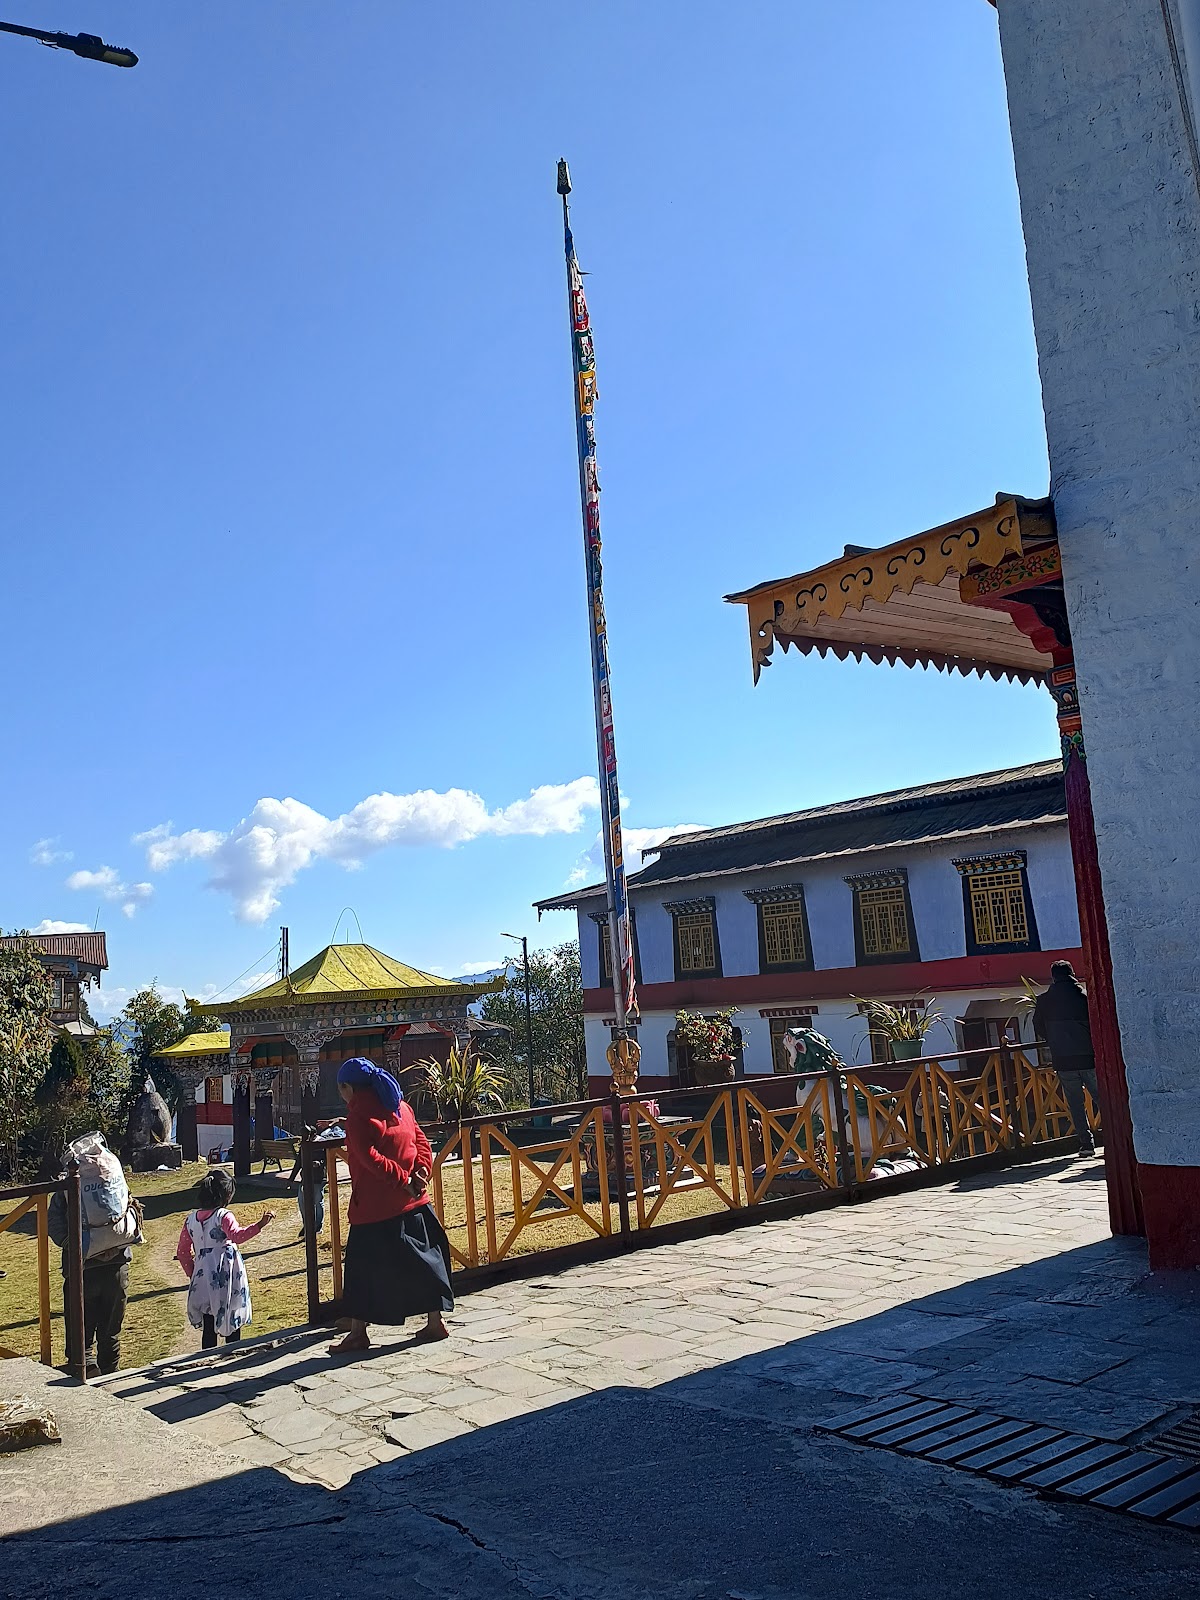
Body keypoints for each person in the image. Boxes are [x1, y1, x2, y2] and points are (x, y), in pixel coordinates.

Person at [329, 1055, 453, 1356]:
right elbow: (422, 1142)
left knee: (362, 1270)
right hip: (414, 1200)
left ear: (348, 1088)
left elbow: (367, 1156)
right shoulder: (401, 1107)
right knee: (425, 1260)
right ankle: (435, 1322)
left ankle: (358, 1333)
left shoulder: (358, 1116)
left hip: (375, 1206)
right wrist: (421, 1174)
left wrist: (403, 1180)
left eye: (341, 1090)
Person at [48, 1138, 144, 1378]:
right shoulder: (111, 1174)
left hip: (80, 1269)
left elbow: (55, 1224)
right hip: (117, 1266)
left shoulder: (67, 1184)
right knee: (111, 1330)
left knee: (79, 1330)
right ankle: (112, 1376)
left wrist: (74, 1245)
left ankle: (84, 1372)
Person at [175, 1169, 275, 1348]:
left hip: (203, 1275)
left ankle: (206, 1358)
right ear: (227, 1195)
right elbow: (237, 1236)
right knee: (232, 1311)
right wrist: (259, 1225)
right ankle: (232, 1354)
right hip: (227, 1273)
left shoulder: (190, 1220)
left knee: (208, 1320)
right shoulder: (223, 1216)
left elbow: (182, 1252)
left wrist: (194, 1273)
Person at [1033, 960, 1099, 1157]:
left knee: (1075, 1104)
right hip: (1089, 1057)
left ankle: (1086, 1144)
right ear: (1072, 973)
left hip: (1063, 1059)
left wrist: (1054, 1038)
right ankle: (1115, 1139)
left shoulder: (1045, 1000)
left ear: (1054, 977)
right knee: (1103, 1099)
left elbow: (1038, 1027)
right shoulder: (1084, 998)